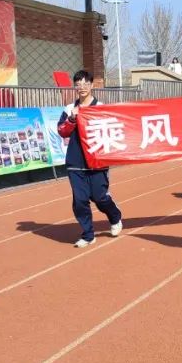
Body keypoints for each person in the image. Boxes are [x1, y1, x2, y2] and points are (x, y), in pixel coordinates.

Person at [57, 69, 124, 248]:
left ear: (92, 85)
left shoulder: (100, 107)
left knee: (100, 197)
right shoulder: (69, 109)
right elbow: (62, 131)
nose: (82, 87)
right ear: (75, 86)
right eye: (78, 84)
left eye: (86, 83)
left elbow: (111, 130)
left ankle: (115, 216)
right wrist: (72, 119)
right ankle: (88, 234)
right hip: (75, 163)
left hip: (97, 162)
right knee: (80, 200)